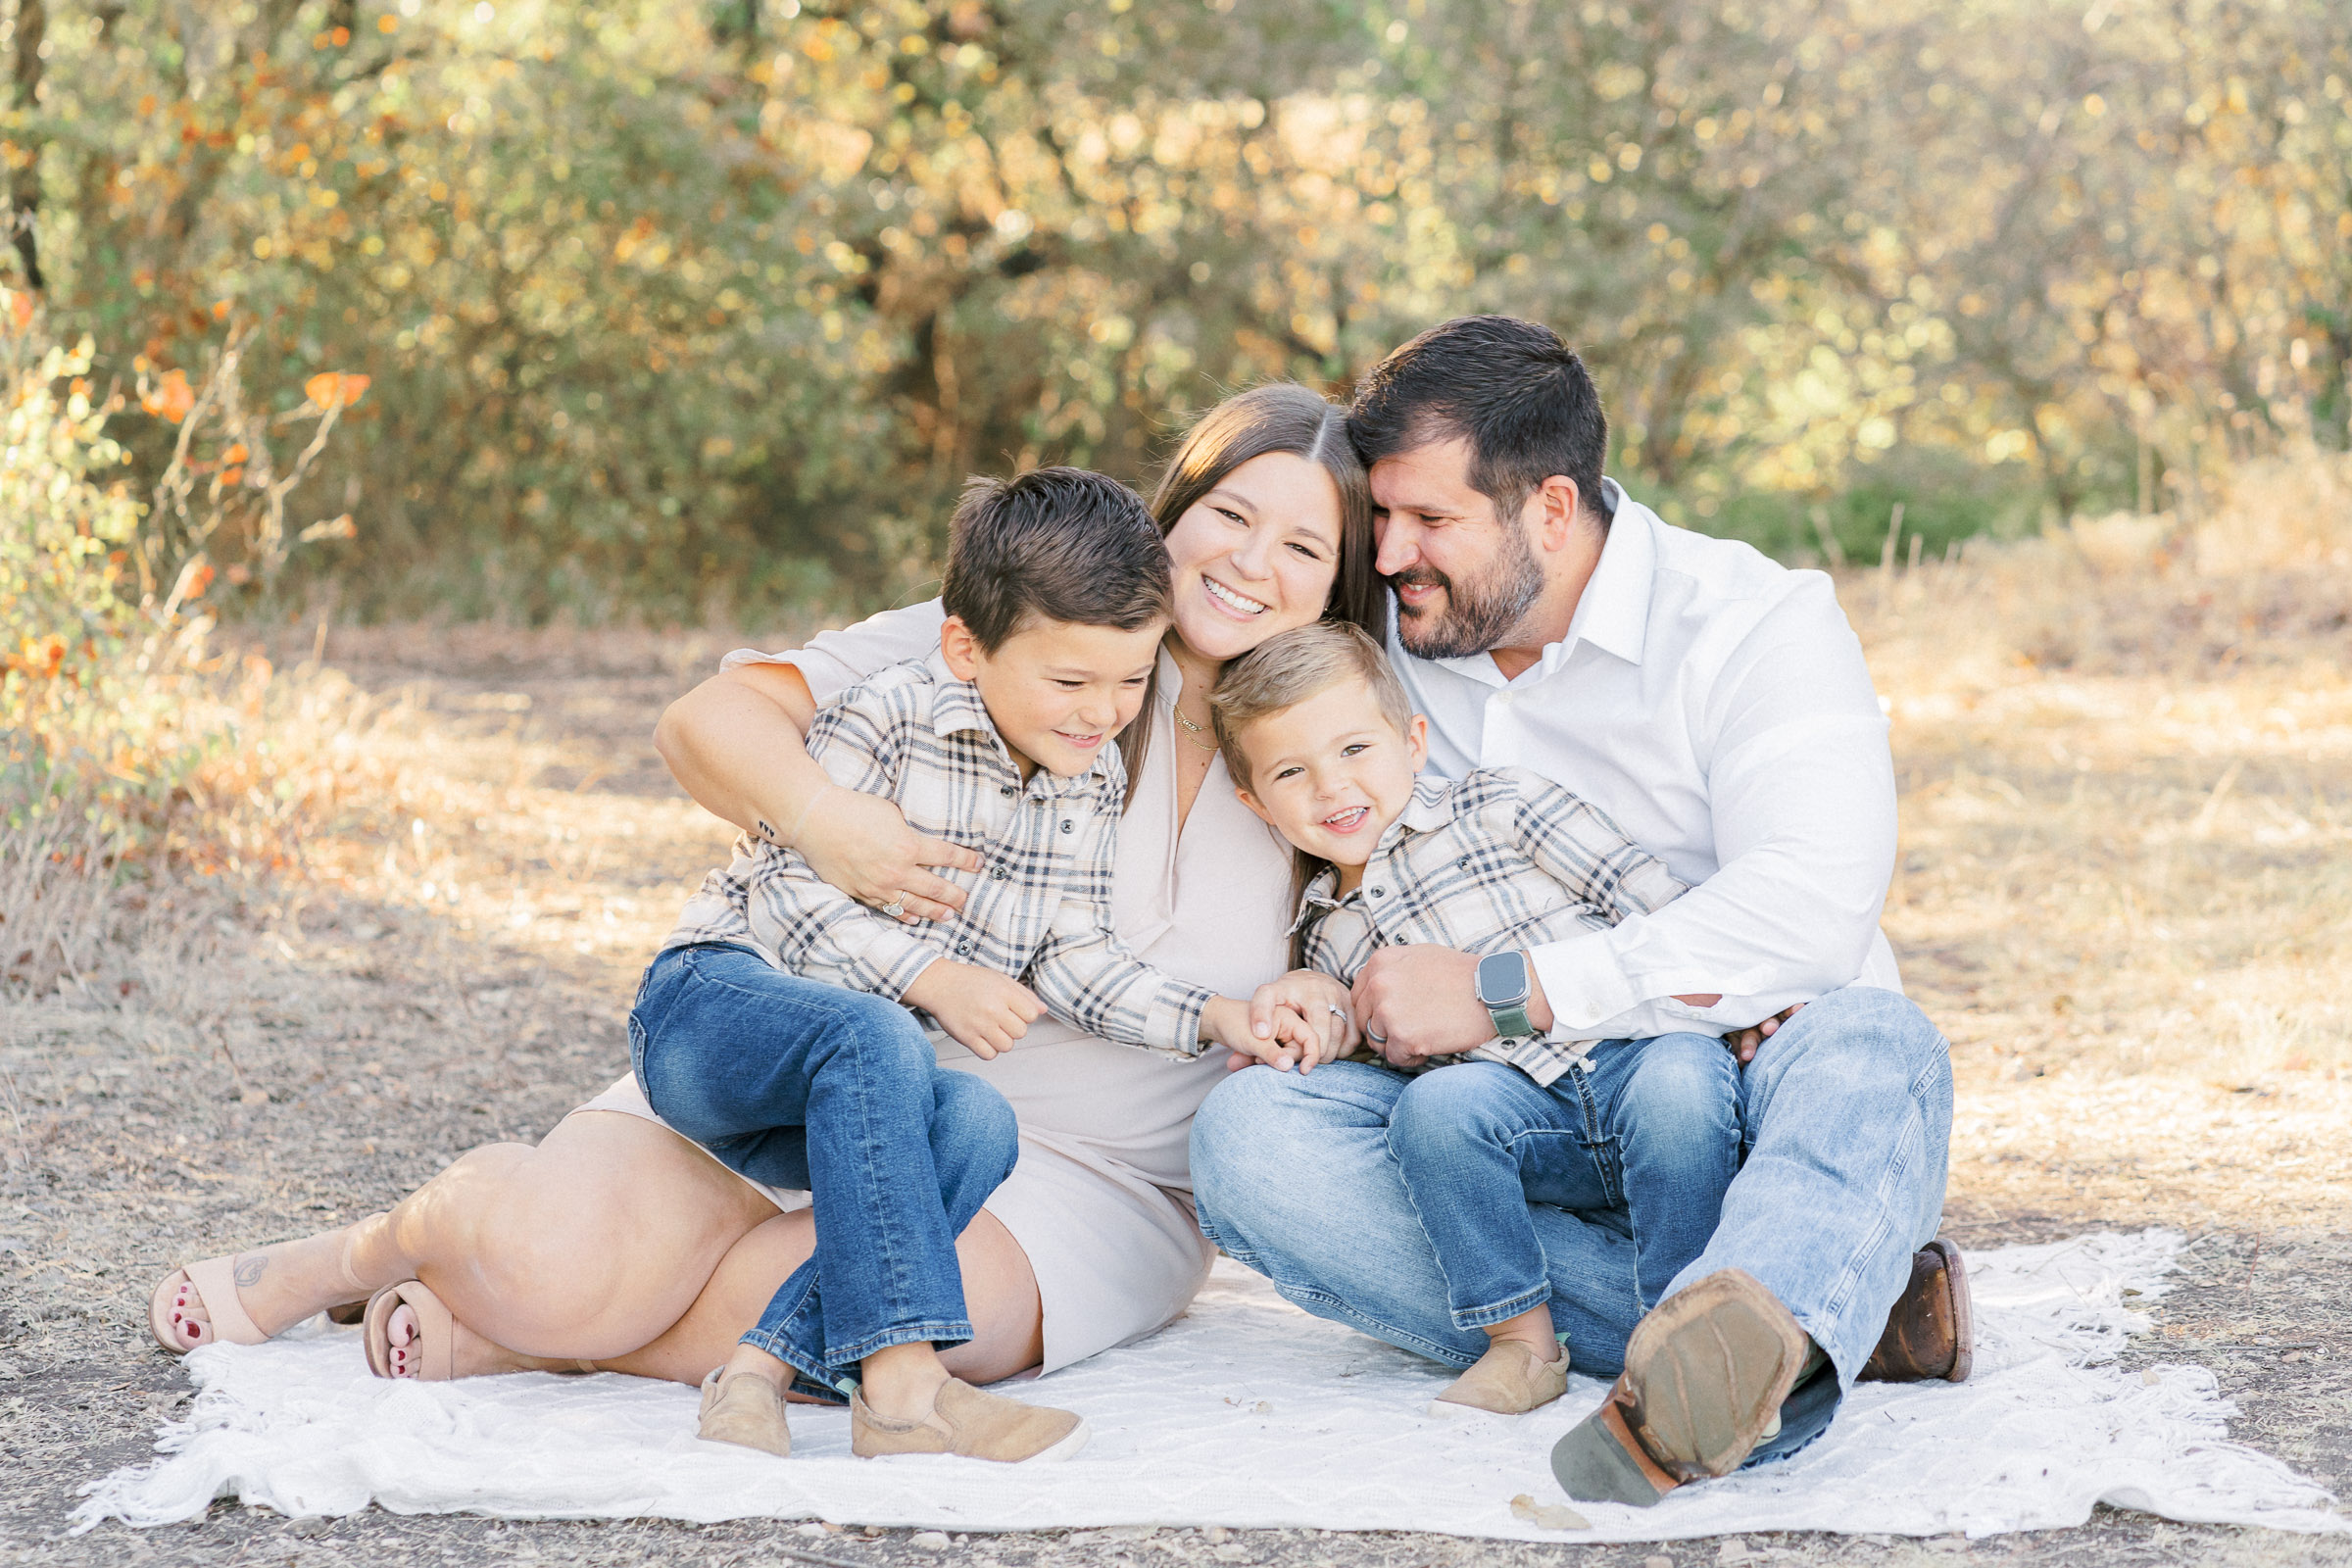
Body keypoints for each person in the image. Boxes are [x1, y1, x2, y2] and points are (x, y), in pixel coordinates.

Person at [144, 382, 1378, 1400]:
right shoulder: (1043, 628)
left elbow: (1399, 917)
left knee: (910, 1315)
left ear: (1337, 582)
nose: (1252, 563)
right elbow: (707, 725)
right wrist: (834, 824)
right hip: (826, 1050)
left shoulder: (1346, 733)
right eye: (1229, 513)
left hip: (1091, 1174)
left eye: (1303, 546)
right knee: (554, 1255)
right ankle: (377, 1252)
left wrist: (1319, 994)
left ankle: (519, 1338)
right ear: (1175, 513)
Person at [1187, 317, 1970, 1509]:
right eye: (1381, 517)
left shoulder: (1755, 623)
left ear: (1551, 509)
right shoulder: (1384, 645)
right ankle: (1818, 1316)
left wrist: (1514, 989)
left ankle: (1762, 1315)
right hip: (1504, 1116)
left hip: (1750, 1071)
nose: (1389, 555)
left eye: (1430, 521)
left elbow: (1810, 905)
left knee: (1875, 1042)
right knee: (1251, 1142)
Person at [636, 467, 1317, 1462]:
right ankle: (908, 1392)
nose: (1104, 713)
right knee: (876, 1036)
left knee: (973, 1122)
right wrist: (934, 982)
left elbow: (1070, 952)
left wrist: (1218, 1016)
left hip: (847, 1081)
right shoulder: (887, 715)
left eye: (1132, 683)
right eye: (1072, 683)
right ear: (966, 646)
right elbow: (789, 897)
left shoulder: (1079, 778)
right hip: (717, 1009)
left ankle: (756, 1368)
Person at [1208, 620, 1743, 1421]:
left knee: (1682, 1078)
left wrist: (1747, 1005)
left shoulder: (1502, 803)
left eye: (1355, 749)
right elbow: (1385, 1066)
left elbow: (1654, 904)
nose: (1331, 786)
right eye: (1292, 770)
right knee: (1435, 1109)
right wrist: (1316, 1027)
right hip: (1518, 1119)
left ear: (1413, 740)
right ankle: (1523, 1345)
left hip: (1636, 1059)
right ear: (1255, 802)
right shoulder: (1325, 932)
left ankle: (1690, 1332)